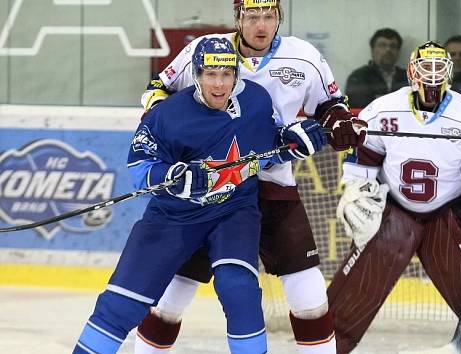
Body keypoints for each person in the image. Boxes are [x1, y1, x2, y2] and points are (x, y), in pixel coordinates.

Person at [135, 1, 367, 354]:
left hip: (274, 186)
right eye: (252, 16)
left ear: (280, 17)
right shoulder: (206, 52)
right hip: (209, 191)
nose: (262, 25)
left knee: (309, 293)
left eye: (269, 16)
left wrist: (338, 122)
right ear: (238, 19)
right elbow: (158, 92)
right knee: (172, 295)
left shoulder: (303, 56)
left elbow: (330, 104)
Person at [72, 36, 326, 354]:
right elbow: (139, 165)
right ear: (196, 74)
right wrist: (173, 177)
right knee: (122, 304)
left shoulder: (257, 102)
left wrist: (294, 143)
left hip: (234, 212)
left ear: (236, 74)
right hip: (174, 217)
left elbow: (267, 149)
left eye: (226, 75)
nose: (219, 84)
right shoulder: (168, 115)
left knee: (240, 290)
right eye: (210, 75)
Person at [327, 41, 461, 354]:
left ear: (450, 73)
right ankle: (326, 344)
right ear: (412, 72)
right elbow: (363, 159)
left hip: (445, 212)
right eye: (427, 67)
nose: (433, 75)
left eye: (440, 68)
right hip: (395, 210)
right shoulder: (384, 109)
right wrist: (355, 190)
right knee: (363, 277)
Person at [345, 28, 408, 108]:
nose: (388, 50)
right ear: (372, 50)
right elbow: (359, 107)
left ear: (398, 51)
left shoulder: (408, 77)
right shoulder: (358, 77)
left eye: (393, 46)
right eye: (382, 45)